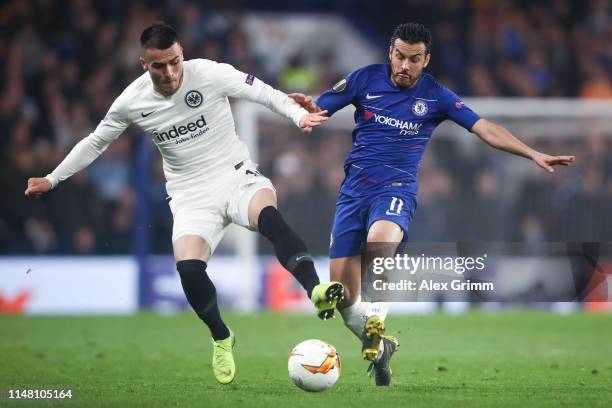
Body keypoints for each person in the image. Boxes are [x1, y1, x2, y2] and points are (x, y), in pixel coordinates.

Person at [24, 23, 344, 385]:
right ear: (145, 64)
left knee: (268, 217)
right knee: (190, 270)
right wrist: (52, 178)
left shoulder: (208, 73)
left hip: (235, 175)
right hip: (191, 195)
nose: (171, 72)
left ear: (182, 54)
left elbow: (264, 94)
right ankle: (222, 337)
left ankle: (315, 289)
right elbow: (96, 142)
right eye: (160, 65)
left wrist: (298, 114)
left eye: (175, 61)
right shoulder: (132, 101)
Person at [289, 22, 575, 386]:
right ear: (390, 52)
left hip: (396, 189)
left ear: (426, 60)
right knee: (344, 299)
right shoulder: (365, 79)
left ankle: (378, 314)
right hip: (352, 195)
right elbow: (320, 106)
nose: (404, 66)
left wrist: (532, 153)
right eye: (399, 56)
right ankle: (381, 346)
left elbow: (483, 127)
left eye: (413, 59)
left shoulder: (437, 96)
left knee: (381, 241)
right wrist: (301, 111)